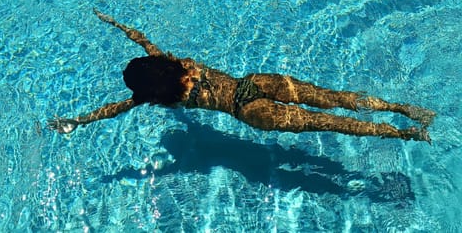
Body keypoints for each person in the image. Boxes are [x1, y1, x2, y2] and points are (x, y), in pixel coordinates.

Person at [49, 9, 435, 143]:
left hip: (248, 113)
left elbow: (108, 111)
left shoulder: (149, 97)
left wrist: (74, 122)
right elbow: (142, 38)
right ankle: (403, 109)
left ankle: (405, 136)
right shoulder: (174, 62)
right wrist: (114, 23)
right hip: (251, 84)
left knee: (329, 123)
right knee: (335, 98)